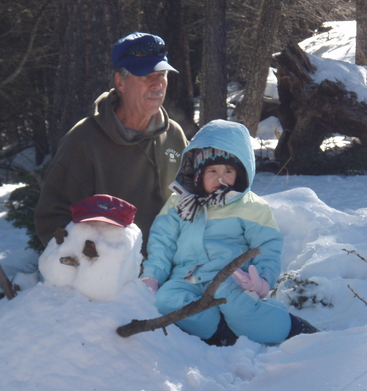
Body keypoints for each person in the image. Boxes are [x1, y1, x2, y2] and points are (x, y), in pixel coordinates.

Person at [140, 119, 318, 346]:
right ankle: (219, 331)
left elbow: (267, 245)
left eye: (228, 170)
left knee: (241, 309)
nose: (220, 177)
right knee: (166, 301)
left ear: (240, 172)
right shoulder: (179, 204)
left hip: (232, 279)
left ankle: (288, 327)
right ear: (197, 172)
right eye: (212, 170)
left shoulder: (250, 206)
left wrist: (262, 280)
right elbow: (162, 243)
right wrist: (153, 276)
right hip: (187, 277)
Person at [34, 32, 188, 254]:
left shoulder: (173, 134)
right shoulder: (84, 140)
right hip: (114, 273)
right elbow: (51, 219)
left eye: (162, 74)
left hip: (171, 268)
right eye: (146, 76)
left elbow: (194, 200)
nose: (157, 84)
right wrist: (92, 262)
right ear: (120, 82)